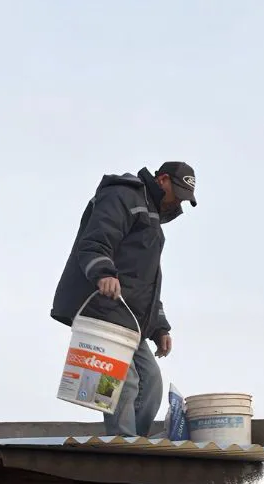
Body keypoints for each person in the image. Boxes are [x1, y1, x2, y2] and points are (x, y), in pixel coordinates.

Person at [51, 162, 196, 437]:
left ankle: (132, 441)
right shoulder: (125, 195)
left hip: (130, 316)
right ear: (162, 180)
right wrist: (103, 272)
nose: (178, 202)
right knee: (123, 382)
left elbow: (147, 283)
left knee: (151, 381)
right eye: (176, 193)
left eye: (184, 199)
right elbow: (96, 240)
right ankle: (123, 443)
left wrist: (159, 327)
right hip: (103, 306)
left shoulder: (153, 224)